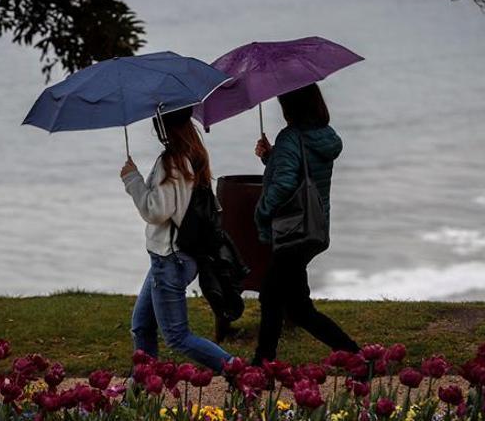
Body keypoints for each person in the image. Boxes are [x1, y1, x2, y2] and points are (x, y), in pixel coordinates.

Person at [252, 83, 360, 365]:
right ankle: (355, 356)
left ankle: (262, 366)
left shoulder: (291, 138)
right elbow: (302, 171)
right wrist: (270, 157)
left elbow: (286, 183)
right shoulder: (323, 136)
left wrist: (262, 210)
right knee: (298, 307)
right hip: (313, 226)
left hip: (291, 231)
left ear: (291, 106)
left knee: (271, 298)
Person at [120, 107, 233, 371]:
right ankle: (140, 391)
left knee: (177, 336)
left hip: (170, 260)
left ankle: (235, 369)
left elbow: (156, 211)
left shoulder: (172, 162)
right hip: (177, 255)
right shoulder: (194, 155)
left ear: (162, 126)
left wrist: (131, 179)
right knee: (142, 325)